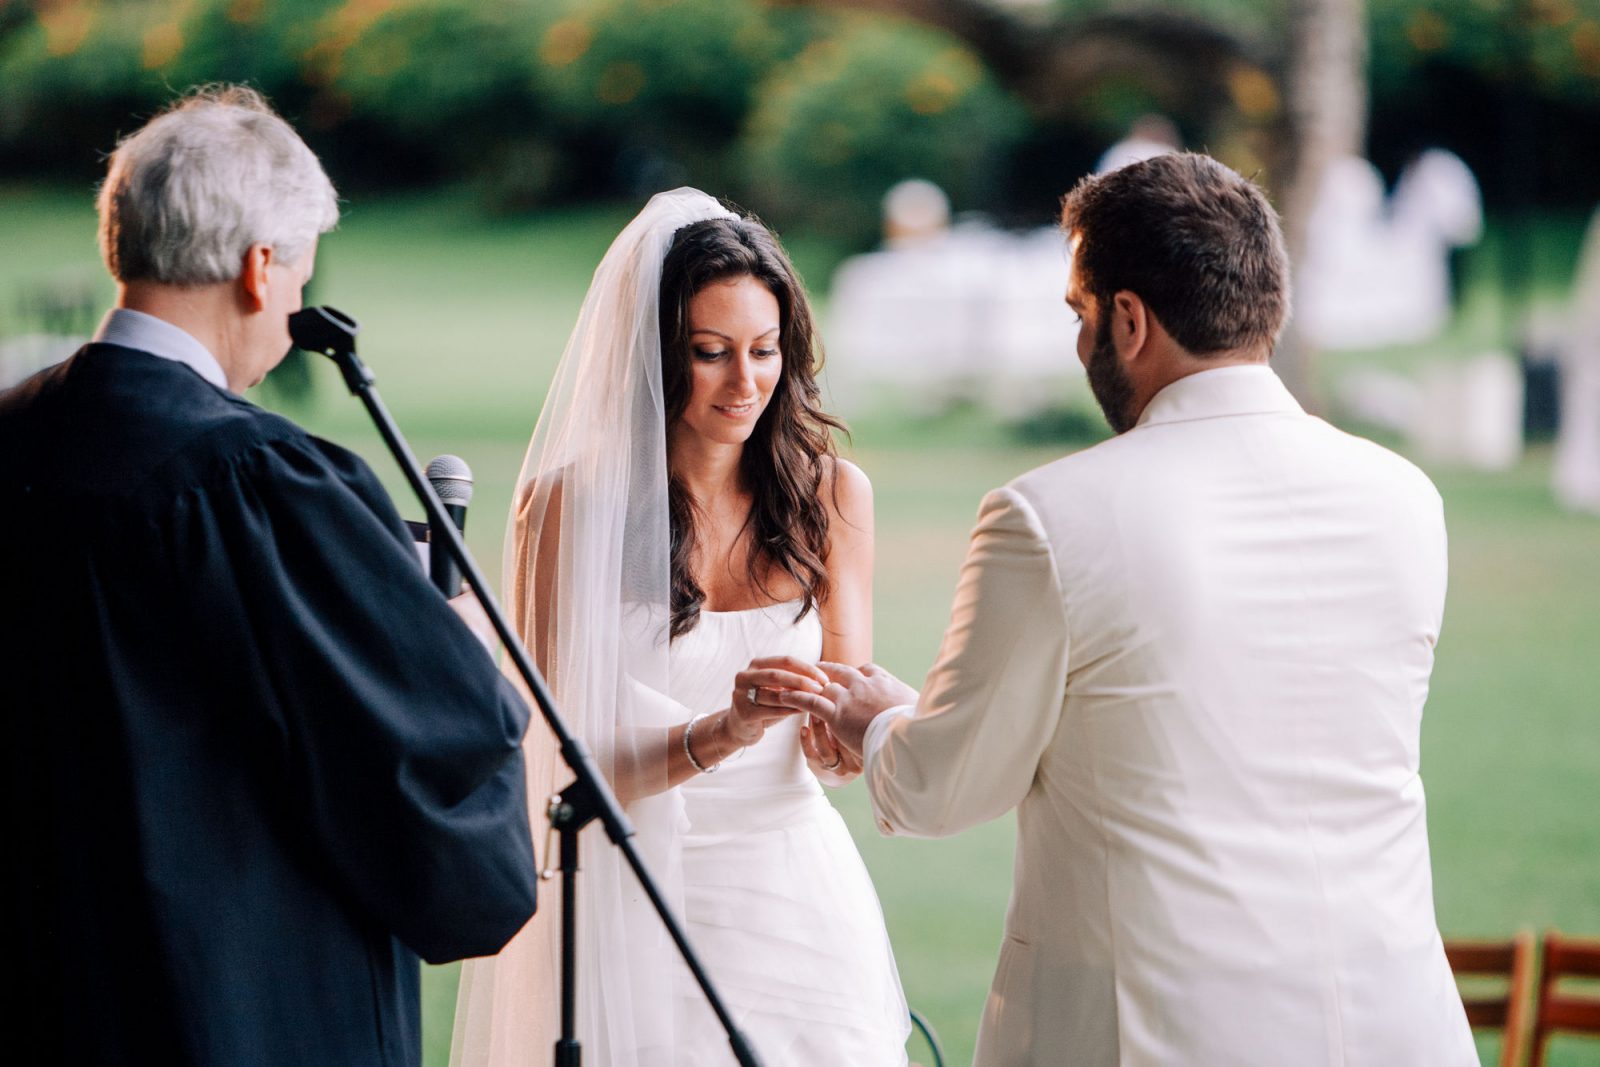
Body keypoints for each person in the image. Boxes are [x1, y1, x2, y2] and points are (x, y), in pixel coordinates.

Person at [814, 153, 1478, 1066]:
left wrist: (876, 720)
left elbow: (946, 785)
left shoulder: (1049, 515)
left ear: (1127, 319)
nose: (1079, 340)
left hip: (1156, 1031)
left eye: (1077, 312)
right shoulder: (1406, 498)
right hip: (1393, 1021)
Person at [1, 86, 539, 1066]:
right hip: (233, 1001)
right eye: (298, 275)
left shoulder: (17, 431)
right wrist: (452, 652)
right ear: (260, 269)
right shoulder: (260, 478)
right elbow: (414, 770)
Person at [451, 189, 908, 1066]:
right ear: (654, 358)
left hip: (795, 898)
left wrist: (838, 734)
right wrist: (721, 730)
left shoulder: (835, 498)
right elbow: (557, 761)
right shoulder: (567, 512)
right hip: (633, 893)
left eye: (766, 351)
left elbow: (841, 746)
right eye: (710, 353)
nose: (746, 383)